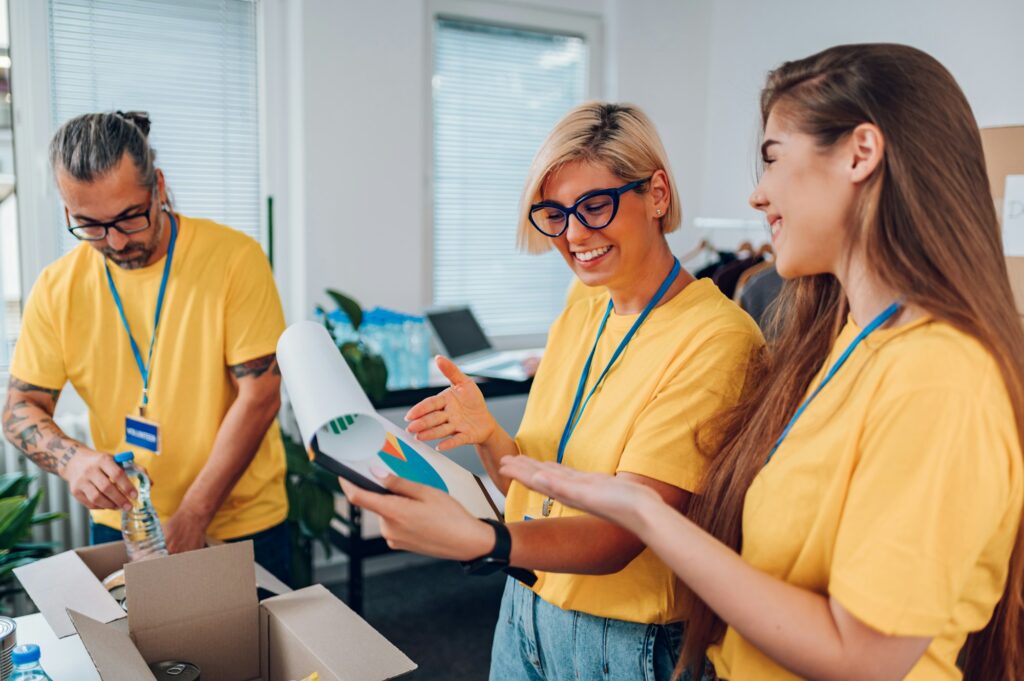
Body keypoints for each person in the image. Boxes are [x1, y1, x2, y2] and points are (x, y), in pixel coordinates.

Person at [501, 44, 1024, 681]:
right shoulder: (843, 342)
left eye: (773, 157)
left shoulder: (939, 379)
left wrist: (647, 518)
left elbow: (866, 659)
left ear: (860, 153)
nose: (757, 194)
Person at [340, 102, 763, 680]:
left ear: (657, 194)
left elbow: (621, 534)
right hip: (526, 608)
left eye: (596, 205)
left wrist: (482, 540)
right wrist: (489, 435)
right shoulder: (585, 302)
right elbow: (532, 490)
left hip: (623, 645)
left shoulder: (719, 339)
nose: (574, 235)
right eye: (554, 214)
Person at [1, 111, 291, 583]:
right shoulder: (57, 287)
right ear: (68, 212)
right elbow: (20, 407)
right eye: (90, 225)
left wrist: (194, 514)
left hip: (240, 522)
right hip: (126, 524)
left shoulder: (234, 259)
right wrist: (73, 460)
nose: (115, 241)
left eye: (129, 217)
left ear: (158, 186)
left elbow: (260, 395)